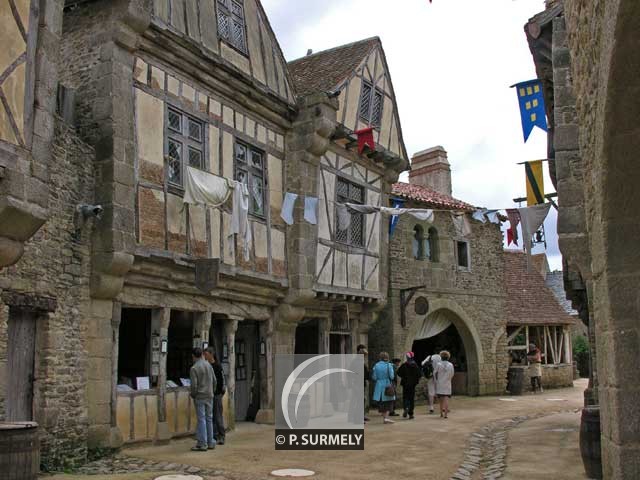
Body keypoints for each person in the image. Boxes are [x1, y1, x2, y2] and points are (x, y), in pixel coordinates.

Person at [189, 347, 216, 451]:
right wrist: (211, 391)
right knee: (209, 418)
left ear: (193, 356)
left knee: (201, 419)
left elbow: (194, 386)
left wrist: (193, 394)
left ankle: (202, 443)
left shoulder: (194, 368)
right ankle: (210, 442)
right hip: (209, 395)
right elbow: (214, 380)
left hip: (200, 396)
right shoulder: (208, 365)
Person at [204, 347, 226, 445]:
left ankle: (221, 436)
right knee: (210, 416)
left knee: (218, 416)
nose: (205, 356)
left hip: (216, 394)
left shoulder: (217, 366)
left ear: (211, 354)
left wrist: (220, 392)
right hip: (209, 395)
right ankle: (213, 435)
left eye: (206, 354)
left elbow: (222, 380)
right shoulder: (206, 366)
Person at [371, 351, 396, 424]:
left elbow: (374, 377)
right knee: (389, 402)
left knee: (381, 402)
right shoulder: (389, 365)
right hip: (387, 384)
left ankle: (384, 416)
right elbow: (392, 376)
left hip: (379, 385)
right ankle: (386, 418)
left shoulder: (376, 365)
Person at [397, 352, 421, 419]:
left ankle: (406, 408)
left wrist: (404, 376)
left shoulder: (404, 365)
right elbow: (419, 374)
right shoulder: (415, 365)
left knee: (405, 397)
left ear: (407, 357)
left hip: (405, 384)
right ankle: (411, 414)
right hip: (412, 385)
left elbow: (398, 372)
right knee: (411, 398)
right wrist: (415, 380)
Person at [434, 350, 454, 419]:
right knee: (446, 398)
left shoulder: (438, 364)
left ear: (441, 357)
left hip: (440, 383)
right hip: (447, 383)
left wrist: (437, 380)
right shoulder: (451, 365)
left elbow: (435, 373)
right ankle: (446, 414)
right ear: (448, 357)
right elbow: (452, 374)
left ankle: (441, 413)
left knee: (441, 400)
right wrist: (449, 379)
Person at [357, 344, 370, 422]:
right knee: (359, 401)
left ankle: (362, 416)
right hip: (358, 384)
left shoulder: (361, 361)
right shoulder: (357, 361)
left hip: (362, 383)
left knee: (362, 400)